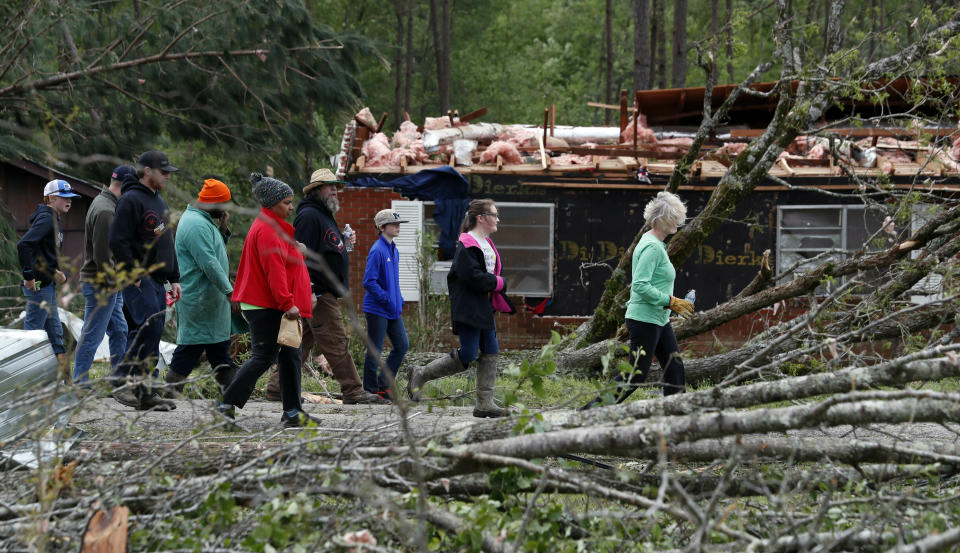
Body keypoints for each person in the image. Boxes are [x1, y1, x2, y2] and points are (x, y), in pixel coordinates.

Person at [263, 168, 387, 405]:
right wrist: (308, 289)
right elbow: (301, 256)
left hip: (321, 292)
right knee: (336, 340)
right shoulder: (309, 216)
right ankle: (353, 390)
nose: (335, 190)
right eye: (330, 186)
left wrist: (343, 242)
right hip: (318, 292)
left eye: (336, 186)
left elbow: (324, 249)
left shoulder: (323, 214)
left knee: (298, 343)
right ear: (317, 189)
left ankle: (277, 388)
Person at [218, 173, 316, 428]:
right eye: (286, 202)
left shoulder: (272, 227)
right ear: (271, 204)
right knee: (264, 356)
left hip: (274, 304)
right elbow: (274, 271)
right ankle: (225, 405)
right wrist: (288, 303)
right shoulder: (268, 230)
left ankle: (293, 412)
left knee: (291, 356)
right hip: (266, 305)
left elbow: (283, 259)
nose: (291, 207)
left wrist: (296, 250)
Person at [582, 191, 693, 409]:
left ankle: (676, 413)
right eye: (674, 219)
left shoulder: (655, 243)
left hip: (658, 319)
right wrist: (671, 301)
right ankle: (588, 413)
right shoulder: (652, 247)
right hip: (645, 320)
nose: (677, 224)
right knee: (635, 375)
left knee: (674, 367)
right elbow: (641, 286)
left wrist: (670, 304)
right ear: (661, 219)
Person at [407, 199, 516, 418]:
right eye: (494, 215)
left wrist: (494, 285)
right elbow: (471, 277)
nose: (497, 219)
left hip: (483, 306)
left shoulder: (486, 243)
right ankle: (421, 373)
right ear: (481, 218)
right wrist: (498, 283)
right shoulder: (466, 244)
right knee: (468, 353)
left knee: (491, 350)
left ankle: (484, 404)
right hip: (468, 307)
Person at [108, 150, 180, 411]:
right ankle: (121, 381)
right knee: (146, 328)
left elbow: (166, 242)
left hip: (159, 278)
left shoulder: (158, 201)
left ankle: (145, 392)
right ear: (147, 171)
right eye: (163, 172)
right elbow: (117, 239)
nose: (167, 177)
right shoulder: (130, 200)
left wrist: (175, 277)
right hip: (139, 277)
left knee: (154, 331)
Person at [163, 178, 238, 395]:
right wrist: (229, 291)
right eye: (223, 204)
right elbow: (209, 263)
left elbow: (214, 253)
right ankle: (170, 393)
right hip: (199, 300)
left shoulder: (203, 221)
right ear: (212, 204)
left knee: (218, 350)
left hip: (208, 302)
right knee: (190, 349)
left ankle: (232, 397)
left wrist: (223, 230)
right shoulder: (195, 224)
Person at [73, 167, 132, 384]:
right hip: (103, 284)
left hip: (108, 282)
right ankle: (80, 381)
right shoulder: (106, 210)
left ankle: (118, 378)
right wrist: (111, 284)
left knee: (119, 329)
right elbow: (102, 254)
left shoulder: (106, 203)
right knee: (93, 333)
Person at [17, 179, 80, 368]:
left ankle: (63, 381)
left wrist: (54, 271)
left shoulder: (54, 218)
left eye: (70, 197)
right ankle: (25, 378)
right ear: (51, 198)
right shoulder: (47, 218)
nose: (69, 201)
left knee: (55, 332)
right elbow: (24, 244)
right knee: (33, 334)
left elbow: (41, 252)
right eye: (64, 197)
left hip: (48, 284)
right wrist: (29, 276)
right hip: (39, 286)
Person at [361, 209, 411, 399]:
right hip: (377, 309)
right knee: (375, 350)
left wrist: (398, 300)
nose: (398, 227)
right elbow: (369, 282)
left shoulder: (393, 249)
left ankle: (383, 385)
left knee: (402, 345)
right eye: (394, 224)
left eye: (398, 224)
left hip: (392, 309)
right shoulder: (377, 250)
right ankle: (370, 391)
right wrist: (386, 298)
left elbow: (393, 281)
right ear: (382, 227)